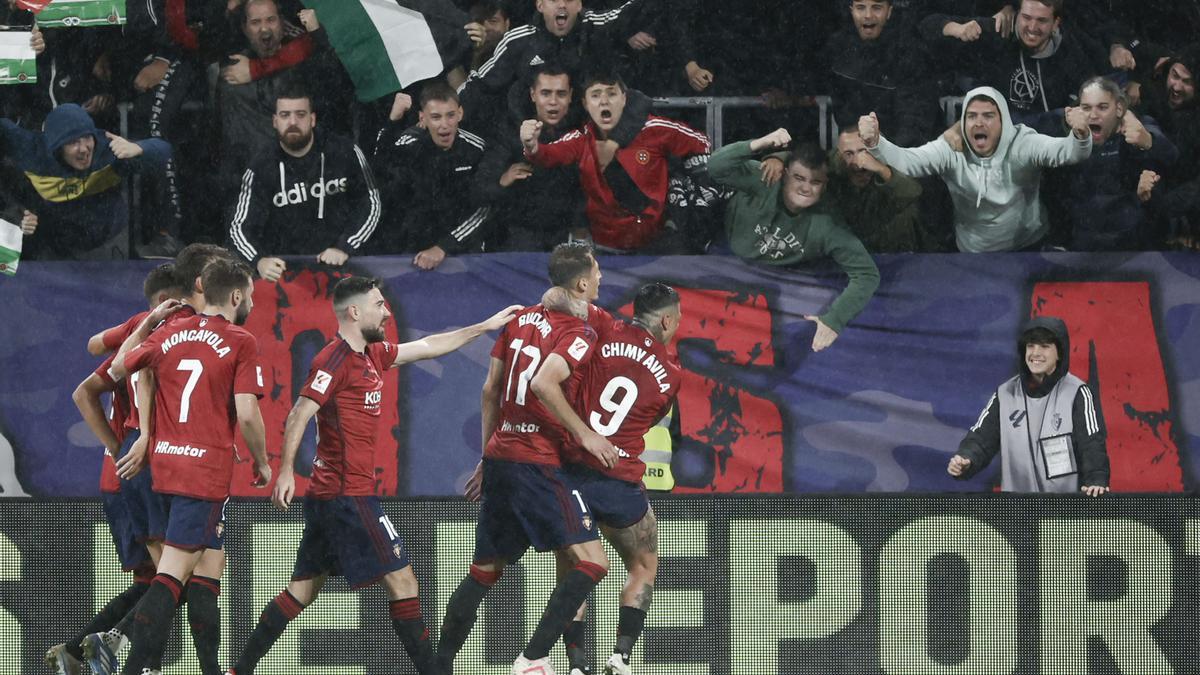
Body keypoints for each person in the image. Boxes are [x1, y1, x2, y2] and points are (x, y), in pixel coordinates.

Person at [225, 276, 519, 675]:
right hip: (349, 497)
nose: (387, 311)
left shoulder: (373, 355)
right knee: (405, 583)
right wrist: (285, 472)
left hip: (334, 496)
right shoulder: (333, 360)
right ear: (354, 312)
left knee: (302, 590)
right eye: (379, 305)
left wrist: (484, 326)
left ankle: (239, 670)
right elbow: (299, 413)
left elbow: (430, 345)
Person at [82, 258, 272, 675]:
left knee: (203, 572)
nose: (253, 302)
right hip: (200, 474)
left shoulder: (167, 329)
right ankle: (123, 661)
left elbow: (117, 367)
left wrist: (149, 323)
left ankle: (204, 668)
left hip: (161, 466)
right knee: (170, 580)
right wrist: (262, 460)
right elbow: (247, 411)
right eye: (252, 296)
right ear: (235, 295)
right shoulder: (240, 339)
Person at [437, 241, 619, 675]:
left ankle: (437, 664)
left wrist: (488, 455)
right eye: (596, 273)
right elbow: (543, 384)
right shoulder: (579, 333)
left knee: (485, 569)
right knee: (593, 561)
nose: (601, 279)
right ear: (581, 282)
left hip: (502, 456)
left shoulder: (519, 320)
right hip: (538, 461)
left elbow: (489, 391)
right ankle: (533, 659)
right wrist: (586, 435)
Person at [47, 264, 185, 675]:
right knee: (172, 582)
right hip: (139, 467)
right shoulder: (157, 332)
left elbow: (93, 345)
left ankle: (76, 650)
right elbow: (87, 388)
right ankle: (119, 648)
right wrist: (117, 445)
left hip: (124, 470)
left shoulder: (137, 327)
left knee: (155, 582)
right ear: (169, 302)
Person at [548, 283, 682, 675]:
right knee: (643, 564)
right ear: (667, 320)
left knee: (575, 572)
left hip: (570, 472)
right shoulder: (672, 374)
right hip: (616, 479)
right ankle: (621, 656)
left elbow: (556, 297)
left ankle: (575, 664)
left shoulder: (604, 326)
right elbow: (652, 417)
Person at [859, 86, 1093, 252]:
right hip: (973, 255)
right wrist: (876, 143)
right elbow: (909, 162)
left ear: (1004, 121)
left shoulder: (1023, 142)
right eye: (971, 116)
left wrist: (1081, 135)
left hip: (1029, 248)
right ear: (963, 122)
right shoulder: (951, 148)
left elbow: (1068, 153)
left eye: (988, 116)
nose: (979, 123)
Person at [708, 129, 880, 352]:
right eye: (799, 178)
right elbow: (716, 166)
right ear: (786, 173)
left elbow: (867, 275)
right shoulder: (766, 178)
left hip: (776, 277)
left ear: (824, 186)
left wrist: (834, 320)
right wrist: (759, 143)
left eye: (815, 182)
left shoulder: (828, 224)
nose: (805, 188)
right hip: (728, 254)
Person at [522, 72, 712, 252]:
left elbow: (702, 143)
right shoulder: (580, 140)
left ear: (624, 99)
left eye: (611, 94)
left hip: (657, 244)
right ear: (585, 104)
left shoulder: (655, 129)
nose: (604, 101)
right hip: (606, 248)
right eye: (595, 96)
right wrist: (531, 146)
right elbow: (547, 154)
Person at [228, 87, 381, 282]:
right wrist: (258, 261)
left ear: (313, 119)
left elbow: (371, 204)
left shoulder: (345, 151)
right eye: (285, 115)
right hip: (285, 277)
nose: (292, 122)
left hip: (343, 269)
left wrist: (345, 246)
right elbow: (239, 227)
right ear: (275, 121)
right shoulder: (261, 166)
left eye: (300, 114)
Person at [948, 316, 1110, 496]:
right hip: (1017, 511)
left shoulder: (1078, 392)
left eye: (1045, 346)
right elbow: (981, 438)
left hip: (1064, 510)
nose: (1035, 353)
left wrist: (1096, 479)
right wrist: (966, 458)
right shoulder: (1005, 393)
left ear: (1059, 353)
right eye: (1031, 346)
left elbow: (1091, 443)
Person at [0, 103, 170, 260]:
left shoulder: (109, 153)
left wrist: (140, 148)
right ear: (56, 147)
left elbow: (164, 149)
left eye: (87, 138)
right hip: (53, 239)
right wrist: (16, 215)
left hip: (106, 238)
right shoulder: (32, 151)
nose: (84, 149)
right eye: (73, 142)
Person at [457, 0, 645, 137]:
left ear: (579, 4)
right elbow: (480, 86)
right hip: (530, 137)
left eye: (569, 0)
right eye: (554, 0)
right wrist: (450, 115)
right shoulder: (519, 41)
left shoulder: (596, 28)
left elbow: (634, 11)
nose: (562, 5)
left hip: (588, 138)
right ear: (540, 5)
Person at [920, 0, 1103, 128]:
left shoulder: (1068, 50)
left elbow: (1094, 89)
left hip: (1048, 144)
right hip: (999, 139)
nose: (1032, 27)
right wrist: (957, 29)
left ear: (1056, 23)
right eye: (1026, 17)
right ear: (1016, 14)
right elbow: (927, 25)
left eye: (1041, 20)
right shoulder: (999, 30)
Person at [1048, 76, 1178, 250]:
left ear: (1118, 109)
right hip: (1081, 245)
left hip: (1133, 244)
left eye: (1102, 107)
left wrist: (1149, 140)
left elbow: (1173, 157)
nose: (1093, 115)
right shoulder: (1066, 128)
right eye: (1086, 108)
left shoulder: (1137, 127)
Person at [371, 83, 490, 269]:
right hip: (413, 250)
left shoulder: (476, 149)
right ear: (422, 118)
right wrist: (394, 120)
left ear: (460, 113)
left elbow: (484, 209)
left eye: (450, 115)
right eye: (435, 117)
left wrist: (444, 246)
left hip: (463, 251)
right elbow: (379, 164)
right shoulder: (411, 144)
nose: (444, 125)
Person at [473, 63, 587, 250]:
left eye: (561, 94)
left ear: (571, 96)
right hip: (515, 238)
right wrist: (501, 182)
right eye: (545, 93)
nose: (553, 102)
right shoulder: (509, 131)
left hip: (566, 235)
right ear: (533, 94)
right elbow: (479, 190)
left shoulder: (583, 130)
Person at [827, 0, 937, 148]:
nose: (868, 15)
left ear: (889, 11)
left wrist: (887, 154)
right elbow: (843, 113)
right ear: (851, 10)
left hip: (905, 152)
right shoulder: (839, 49)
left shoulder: (910, 51)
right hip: (858, 146)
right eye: (860, 8)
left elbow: (915, 118)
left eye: (877, 8)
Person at [826, 128, 922, 252]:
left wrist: (882, 170)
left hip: (888, 245)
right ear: (839, 155)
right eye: (849, 154)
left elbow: (914, 192)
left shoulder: (891, 161)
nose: (858, 162)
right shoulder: (832, 170)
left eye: (864, 152)